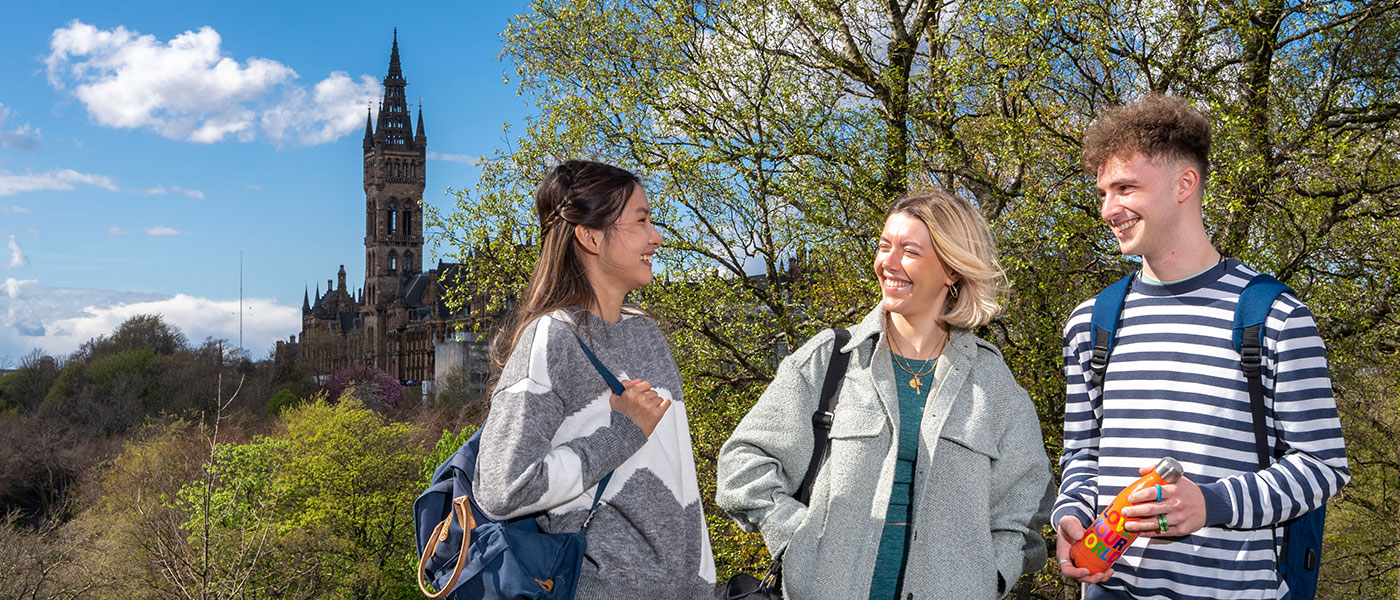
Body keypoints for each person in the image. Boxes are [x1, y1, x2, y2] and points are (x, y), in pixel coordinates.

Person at [1053, 94, 1350, 598]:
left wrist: (1210, 503)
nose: (1108, 209)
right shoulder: (1091, 322)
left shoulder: (1276, 317)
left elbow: (1322, 467)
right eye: (1103, 192)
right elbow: (1083, 452)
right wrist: (1072, 516)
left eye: (1125, 188)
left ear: (1185, 184)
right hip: (1112, 590)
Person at [717, 190, 1053, 600]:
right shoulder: (830, 360)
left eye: (909, 250)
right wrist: (799, 542)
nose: (887, 263)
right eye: (884, 246)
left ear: (951, 270)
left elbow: (1026, 505)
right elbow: (743, 464)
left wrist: (990, 575)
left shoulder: (994, 385)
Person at [473, 160, 716, 599]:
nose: (656, 236)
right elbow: (501, 487)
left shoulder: (647, 333)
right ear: (589, 236)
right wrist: (620, 435)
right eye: (641, 220)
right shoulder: (552, 339)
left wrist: (705, 588)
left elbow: (682, 488)